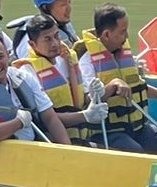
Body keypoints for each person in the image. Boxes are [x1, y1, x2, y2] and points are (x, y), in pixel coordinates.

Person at [78, 4, 157, 155]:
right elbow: (88, 102)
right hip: (108, 132)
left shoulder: (123, 54)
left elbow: (135, 87)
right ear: (106, 35)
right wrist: (113, 85)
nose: (126, 37)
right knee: (134, 150)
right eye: (122, 32)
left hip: (136, 127)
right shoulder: (87, 63)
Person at [0, 31, 71, 146]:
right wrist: (19, 122)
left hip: (32, 149)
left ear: (8, 57)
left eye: (0, 57)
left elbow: (49, 117)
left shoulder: (23, 78)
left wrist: (67, 152)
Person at [14, 13, 99, 144]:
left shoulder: (68, 60)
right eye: (47, 39)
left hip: (84, 134)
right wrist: (85, 116)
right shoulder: (27, 73)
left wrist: (95, 96)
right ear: (32, 44)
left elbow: (83, 99)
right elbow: (43, 117)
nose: (54, 43)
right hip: (55, 143)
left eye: (56, 36)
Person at [9, 0, 79, 58]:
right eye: (63, 4)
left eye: (69, 2)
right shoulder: (33, 35)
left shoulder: (65, 25)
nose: (69, 8)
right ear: (45, 7)